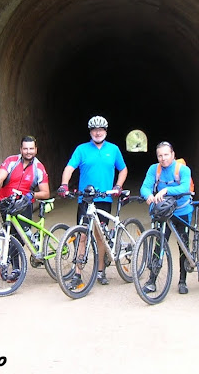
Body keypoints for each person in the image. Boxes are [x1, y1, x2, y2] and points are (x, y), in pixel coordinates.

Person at [57, 115, 128, 287]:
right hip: (85, 199)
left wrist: (118, 186)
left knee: (100, 236)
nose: (98, 132)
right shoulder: (81, 149)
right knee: (82, 235)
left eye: (101, 129)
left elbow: (123, 169)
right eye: (94, 130)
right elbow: (69, 167)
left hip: (104, 198)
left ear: (105, 131)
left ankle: (101, 271)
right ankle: (77, 274)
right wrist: (64, 185)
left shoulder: (114, 149)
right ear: (90, 132)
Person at [0, 135, 51, 282]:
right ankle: (14, 268)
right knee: (10, 234)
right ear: (20, 149)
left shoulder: (38, 168)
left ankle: (12, 266)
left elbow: (46, 193)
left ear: (36, 150)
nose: (28, 152)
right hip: (6, 202)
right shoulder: (11, 162)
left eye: (31, 149)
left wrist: (31, 195)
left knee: (20, 236)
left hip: (24, 204)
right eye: (25, 148)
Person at [139, 141, 193, 295]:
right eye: (160, 156)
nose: (163, 159)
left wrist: (166, 190)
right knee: (159, 244)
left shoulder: (182, 169)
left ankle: (182, 281)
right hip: (163, 212)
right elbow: (145, 186)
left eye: (166, 155)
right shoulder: (154, 169)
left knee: (183, 245)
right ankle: (152, 281)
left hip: (181, 211)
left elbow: (185, 187)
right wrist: (148, 195)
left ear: (173, 155)